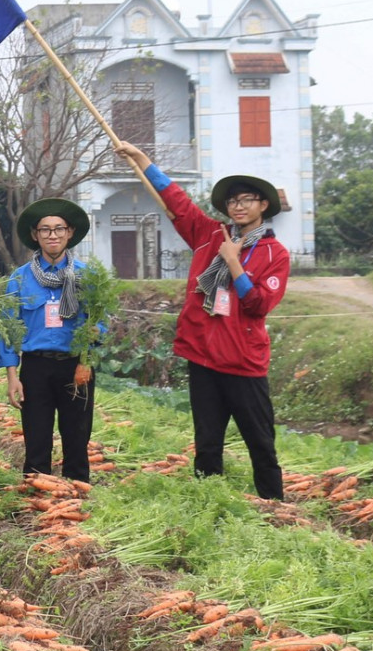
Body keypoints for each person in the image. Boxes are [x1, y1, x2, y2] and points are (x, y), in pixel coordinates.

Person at [113, 141, 292, 500]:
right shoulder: (210, 234)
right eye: (232, 201)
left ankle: (276, 510)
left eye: (247, 200)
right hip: (204, 360)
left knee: (261, 443)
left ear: (264, 206)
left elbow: (258, 304)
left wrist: (234, 264)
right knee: (207, 444)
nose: (238, 206)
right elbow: (175, 200)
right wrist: (142, 159)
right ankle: (209, 506)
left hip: (243, 364)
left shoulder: (276, 254)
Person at [0, 198, 98, 483]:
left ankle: (77, 496)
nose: (52, 235)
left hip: (76, 366)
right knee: (37, 438)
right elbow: (8, 327)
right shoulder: (20, 279)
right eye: (45, 230)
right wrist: (12, 376)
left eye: (58, 229)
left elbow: (100, 318)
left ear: (69, 233)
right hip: (36, 368)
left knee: (77, 439)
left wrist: (94, 338)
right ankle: (37, 499)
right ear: (35, 235)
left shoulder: (87, 276)